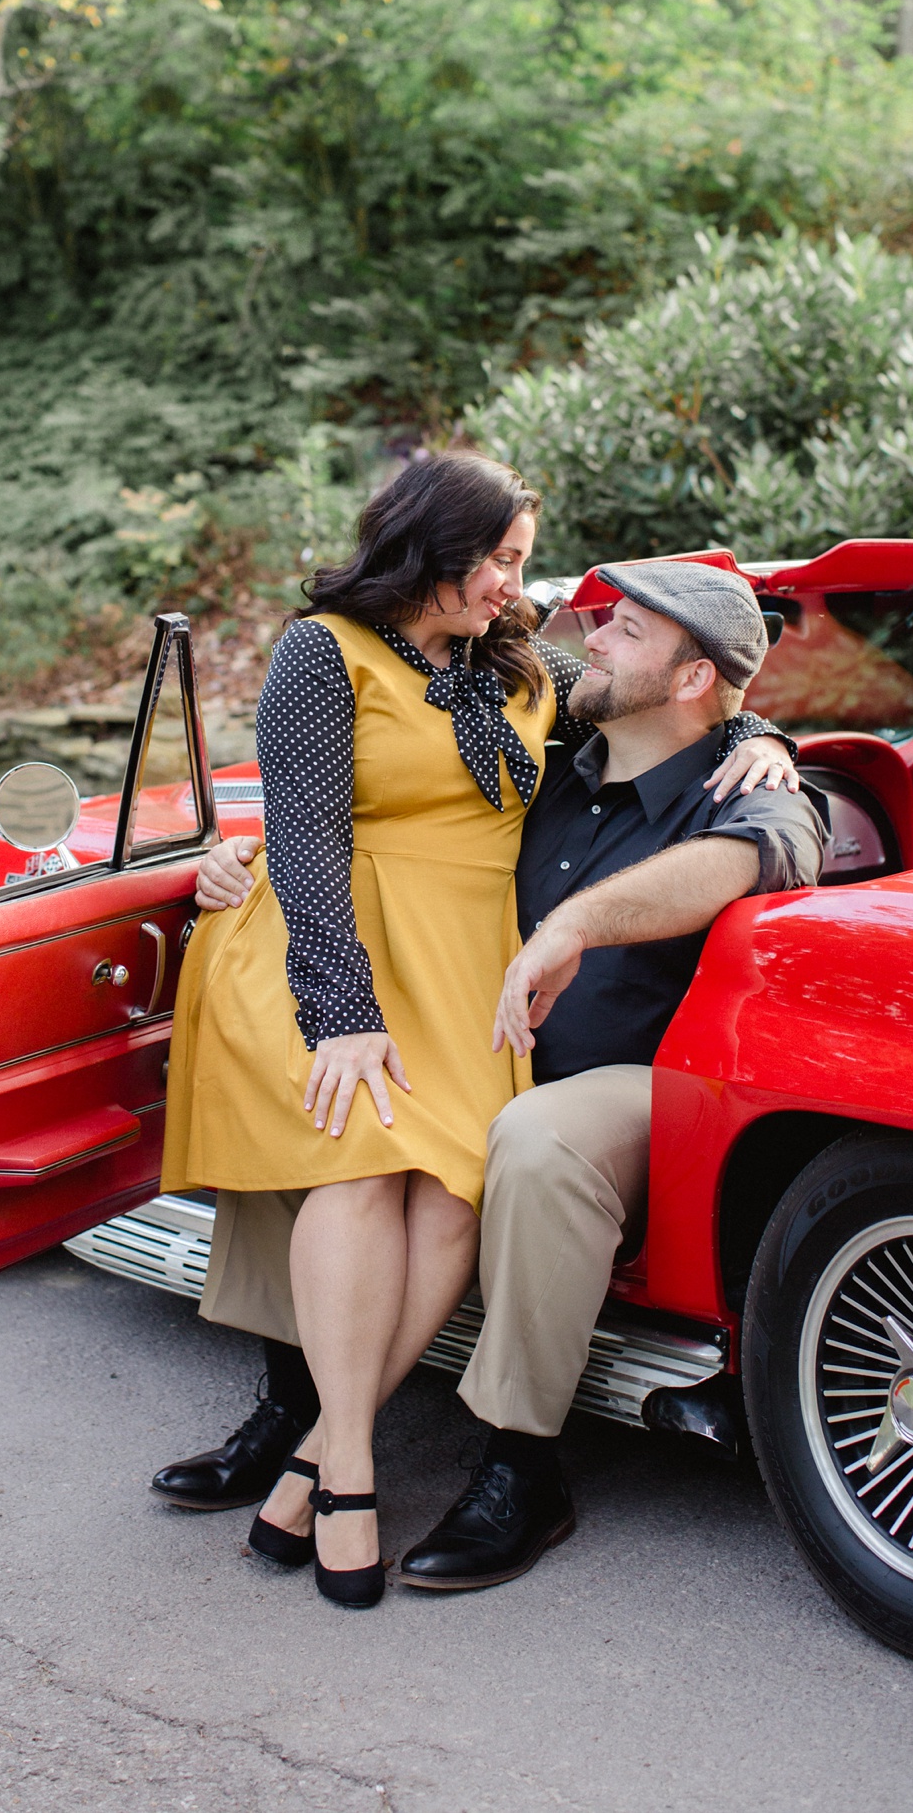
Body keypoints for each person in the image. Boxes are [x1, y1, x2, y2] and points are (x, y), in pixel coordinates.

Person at [157, 506, 813, 1600]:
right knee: (327, 1102)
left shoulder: (761, 796)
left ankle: (518, 1463)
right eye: (596, 623)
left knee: (530, 1138)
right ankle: (303, 1414)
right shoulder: (546, 748)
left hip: (647, 1084)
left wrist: (760, 744)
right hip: (467, 1032)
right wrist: (243, 861)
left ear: (696, 678)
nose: (588, 636)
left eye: (626, 631)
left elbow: (745, 863)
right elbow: (376, 801)